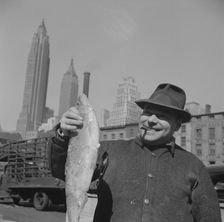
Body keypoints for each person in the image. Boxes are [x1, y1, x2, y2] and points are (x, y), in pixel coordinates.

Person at [50, 83, 222, 222]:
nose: (151, 120)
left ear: (177, 125)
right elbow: (63, 171)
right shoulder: (109, 151)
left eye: (161, 116)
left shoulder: (194, 166)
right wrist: (63, 135)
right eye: (148, 112)